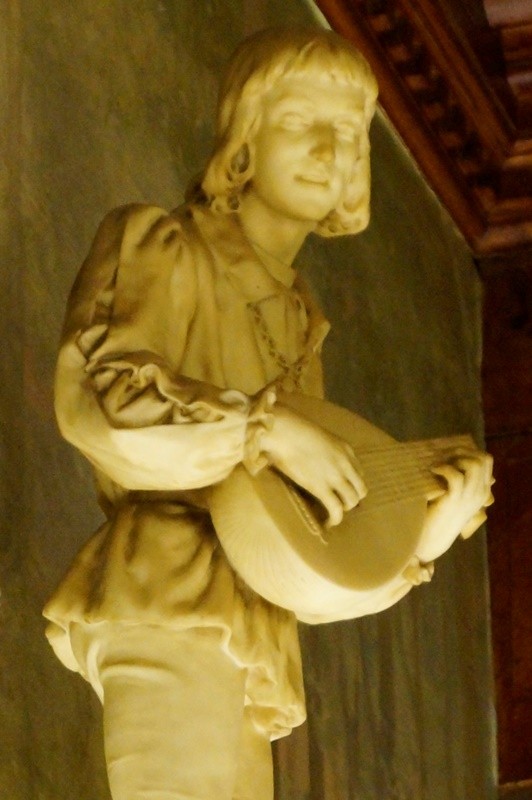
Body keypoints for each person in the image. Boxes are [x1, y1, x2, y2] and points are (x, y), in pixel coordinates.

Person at [44, 28, 492, 800]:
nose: (329, 148)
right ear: (244, 140)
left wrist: (424, 537)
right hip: (163, 593)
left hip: (250, 629)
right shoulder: (161, 244)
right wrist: (261, 428)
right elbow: (100, 399)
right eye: (299, 121)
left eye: (348, 131)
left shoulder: (299, 322)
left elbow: (292, 552)